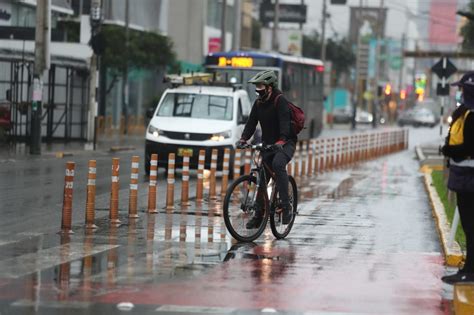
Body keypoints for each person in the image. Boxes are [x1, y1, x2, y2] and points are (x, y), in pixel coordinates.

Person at [236, 70, 297, 229]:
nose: (258, 89)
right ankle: (258, 214)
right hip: (268, 144)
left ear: (270, 87)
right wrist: (243, 139)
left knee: (277, 164)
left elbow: (284, 123)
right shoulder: (258, 103)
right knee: (262, 177)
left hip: (285, 143)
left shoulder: (280, 100)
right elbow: (251, 123)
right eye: (256, 87)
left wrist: (282, 140)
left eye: (261, 86)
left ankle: (286, 206)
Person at [441, 71, 474, 284]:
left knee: (471, 226)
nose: (459, 92)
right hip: (464, 178)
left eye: (462, 88)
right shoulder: (466, 112)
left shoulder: (472, 116)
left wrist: (449, 150)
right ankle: (469, 268)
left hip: (470, 178)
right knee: (469, 225)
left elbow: (469, 148)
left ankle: (470, 272)